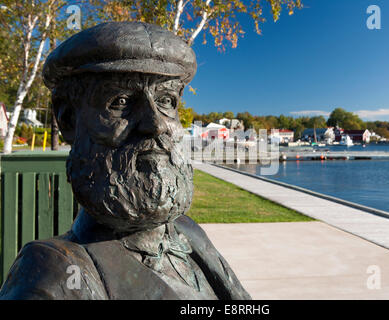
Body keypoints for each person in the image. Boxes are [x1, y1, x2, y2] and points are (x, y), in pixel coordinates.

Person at [0, 22, 251, 300]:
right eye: (120, 101)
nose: (156, 125)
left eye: (165, 101)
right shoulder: (54, 273)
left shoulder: (187, 231)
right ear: (69, 119)